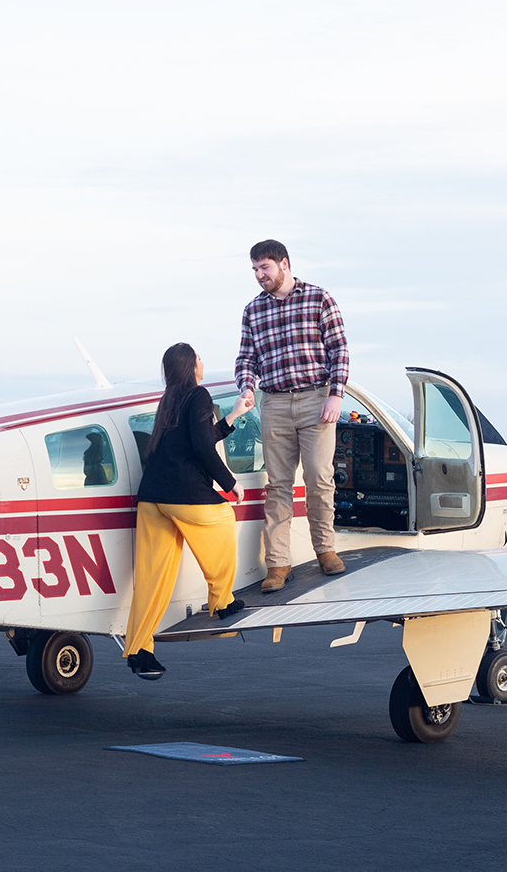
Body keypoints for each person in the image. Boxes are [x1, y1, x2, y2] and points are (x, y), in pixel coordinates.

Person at [123, 342, 251, 680]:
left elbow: (199, 436)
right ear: (191, 366)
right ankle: (222, 600)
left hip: (152, 497)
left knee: (152, 579)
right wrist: (229, 483)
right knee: (224, 519)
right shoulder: (199, 396)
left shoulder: (170, 400)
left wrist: (234, 416)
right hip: (183, 493)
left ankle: (139, 650)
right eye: (199, 358)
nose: (203, 362)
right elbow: (202, 447)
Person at [234, 239, 349, 592]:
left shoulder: (319, 298)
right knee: (278, 486)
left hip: (317, 398)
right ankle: (277, 564)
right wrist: (247, 387)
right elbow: (246, 357)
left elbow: (339, 348)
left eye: (264, 268)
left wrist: (336, 394)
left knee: (318, 477)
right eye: (254, 269)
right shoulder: (253, 311)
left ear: (284, 264)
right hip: (275, 403)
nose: (258, 275)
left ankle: (325, 550)